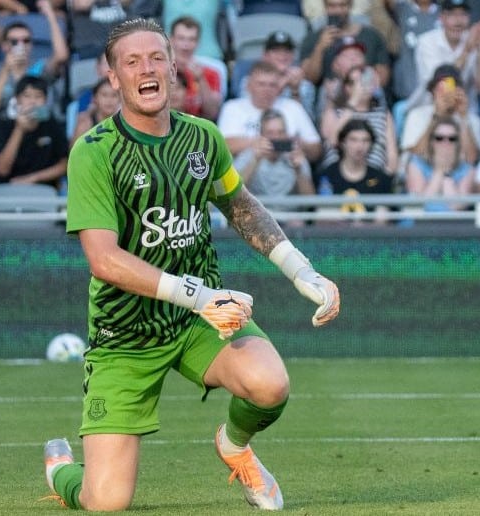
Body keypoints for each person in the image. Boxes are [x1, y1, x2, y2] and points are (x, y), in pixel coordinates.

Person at [44, 18, 340, 512]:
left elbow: (242, 207)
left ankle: (235, 445)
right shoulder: (94, 153)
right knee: (105, 501)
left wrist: (299, 269)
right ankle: (62, 473)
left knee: (271, 385)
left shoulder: (203, 137)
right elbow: (104, 260)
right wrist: (202, 294)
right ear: (114, 77)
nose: (147, 68)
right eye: (132, 61)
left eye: (156, 57)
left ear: (174, 65)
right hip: (126, 335)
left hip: (198, 321)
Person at [0, 0, 69, 123]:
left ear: (31, 45)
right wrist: (6, 70)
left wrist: (50, 15)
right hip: (5, 132)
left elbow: (61, 55)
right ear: (4, 46)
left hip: (40, 129)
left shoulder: (39, 67)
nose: (21, 45)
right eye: (14, 42)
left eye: (26, 41)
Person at [218, 60, 324, 162]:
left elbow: (316, 151)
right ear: (249, 86)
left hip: (288, 170)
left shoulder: (293, 107)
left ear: (279, 87)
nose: (267, 89)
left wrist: (296, 144)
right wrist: (267, 142)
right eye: (261, 84)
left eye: (272, 85)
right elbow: (223, 147)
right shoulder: (232, 107)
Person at [407, 0, 480, 109]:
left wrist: (479, 49)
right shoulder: (426, 42)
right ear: (441, 18)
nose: (458, 21)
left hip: (465, 112)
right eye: (452, 14)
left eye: (463, 14)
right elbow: (440, 83)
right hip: (429, 109)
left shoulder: (476, 40)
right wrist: (467, 51)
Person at [317, 64, 398, 174]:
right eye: (357, 82)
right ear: (347, 87)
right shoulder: (333, 112)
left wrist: (385, 178)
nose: (364, 86)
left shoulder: (383, 114)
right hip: (338, 176)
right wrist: (353, 102)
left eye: (367, 81)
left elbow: (391, 153)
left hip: (374, 176)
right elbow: (332, 141)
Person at [0, 76, 69, 188]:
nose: (32, 102)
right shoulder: (2, 125)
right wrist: (19, 129)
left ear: (45, 100)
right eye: (27, 96)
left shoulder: (52, 124)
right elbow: (2, 170)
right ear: (17, 99)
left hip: (44, 189)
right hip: (7, 188)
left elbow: (64, 164)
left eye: (38, 96)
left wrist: (33, 178)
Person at [400, 64, 480, 164]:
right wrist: (437, 116)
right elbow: (416, 155)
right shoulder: (416, 115)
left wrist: (463, 118)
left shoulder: (472, 120)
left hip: (457, 175)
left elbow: (471, 159)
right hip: (423, 174)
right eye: (441, 89)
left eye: (451, 88)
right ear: (433, 92)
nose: (446, 93)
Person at [317, 118, 394, 224]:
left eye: (365, 140)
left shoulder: (380, 178)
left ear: (371, 144)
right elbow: (320, 216)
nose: (359, 146)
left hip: (369, 238)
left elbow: (384, 219)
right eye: (353, 140)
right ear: (343, 143)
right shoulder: (328, 175)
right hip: (333, 237)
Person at [299, 0, 391, 88]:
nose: (338, 11)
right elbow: (309, 79)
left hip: (365, 93)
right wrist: (320, 47)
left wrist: (356, 72)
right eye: (332, 6)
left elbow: (382, 79)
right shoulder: (313, 38)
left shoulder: (371, 36)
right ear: (325, 7)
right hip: (327, 98)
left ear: (350, 6)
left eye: (343, 5)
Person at [236, 109, 316, 199]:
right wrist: (255, 160)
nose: (276, 138)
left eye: (280, 132)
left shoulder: (296, 156)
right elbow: (235, 195)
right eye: (270, 133)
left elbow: (310, 200)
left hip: (291, 211)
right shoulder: (248, 156)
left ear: (286, 134)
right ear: (261, 135)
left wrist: (298, 170)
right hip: (258, 211)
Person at [404, 115, 475, 212]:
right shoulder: (416, 164)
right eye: (439, 138)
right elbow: (422, 205)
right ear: (431, 142)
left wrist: (446, 175)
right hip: (421, 224)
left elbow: (456, 206)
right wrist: (439, 171)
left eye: (452, 138)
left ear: (458, 143)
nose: (445, 143)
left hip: (453, 224)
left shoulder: (467, 169)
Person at [168, 16, 222, 120]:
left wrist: (201, 79)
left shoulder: (211, 73)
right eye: (181, 38)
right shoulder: (160, 70)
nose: (186, 45)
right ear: (171, 40)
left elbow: (212, 113)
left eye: (191, 39)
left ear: (198, 43)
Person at [70, 77, 120, 147]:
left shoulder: (125, 125)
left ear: (120, 99)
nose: (109, 100)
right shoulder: (85, 125)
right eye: (104, 95)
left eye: (114, 95)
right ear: (94, 98)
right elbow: (74, 155)